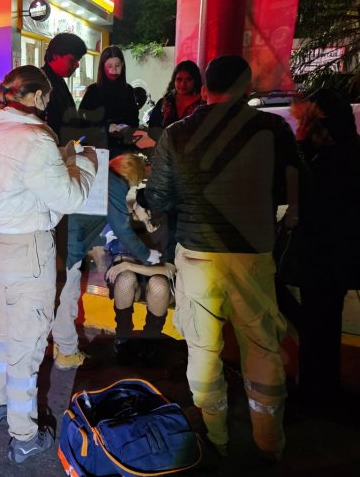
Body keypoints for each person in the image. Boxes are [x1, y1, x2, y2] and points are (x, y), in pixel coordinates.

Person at [137, 55, 301, 461]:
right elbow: (289, 188)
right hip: (253, 255)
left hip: (197, 257)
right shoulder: (274, 128)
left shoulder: (176, 134)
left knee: (203, 350)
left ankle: (216, 437)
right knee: (262, 347)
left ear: (205, 87)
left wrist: (151, 194)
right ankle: (269, 443)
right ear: (248, 86)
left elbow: (157, 197)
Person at [0, 65, 97, 464]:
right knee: (29, 344)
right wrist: (87, 162)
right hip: (28, 253)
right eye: (46, 99)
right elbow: (71, 198)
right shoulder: (35, 138)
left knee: (5, 328)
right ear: (38, 97)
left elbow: (18, 172)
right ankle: (24, 434)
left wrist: (62, 157)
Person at [52, 153, 170, 369]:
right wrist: (140, 256)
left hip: (62, 244)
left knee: (158, 283)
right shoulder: (115, 189)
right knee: (68, 297)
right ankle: (74, 350)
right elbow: (118, 230)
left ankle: (149, 341)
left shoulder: (101, 180)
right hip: (72, 249)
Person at [290, 89, 360, 400]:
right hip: (343, 252)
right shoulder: (352, 151)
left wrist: (301, 142)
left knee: (316, 322)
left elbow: (296, 184)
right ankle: (324, 388)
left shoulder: (320, 158)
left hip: (319, 252)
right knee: (326, 321)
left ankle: (314, 391)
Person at [77, 45, 139, 155]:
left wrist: (127, 128)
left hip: (123, 150)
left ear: (123, 65)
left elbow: (134, 119)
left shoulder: (128, 90)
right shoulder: (93, 91)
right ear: (102, 66)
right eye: (109, 66)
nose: (113, 70)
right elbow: (81, 123)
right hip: (98, 151)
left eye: (117, 66)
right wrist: (105, 127)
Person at [43, 33, 88, 145]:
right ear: (55, 55)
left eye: (78, 60)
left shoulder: (59, 80)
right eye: (72, 60)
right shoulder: (41, 83)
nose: (77, 65)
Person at [147, 60, 205, 140]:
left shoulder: (203, 103)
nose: (183, 84)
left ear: (195, 80)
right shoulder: (164, 102)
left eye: (188, 79)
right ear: (174, 80)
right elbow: (152, 131)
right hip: (163, 150)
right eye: (179, 79)